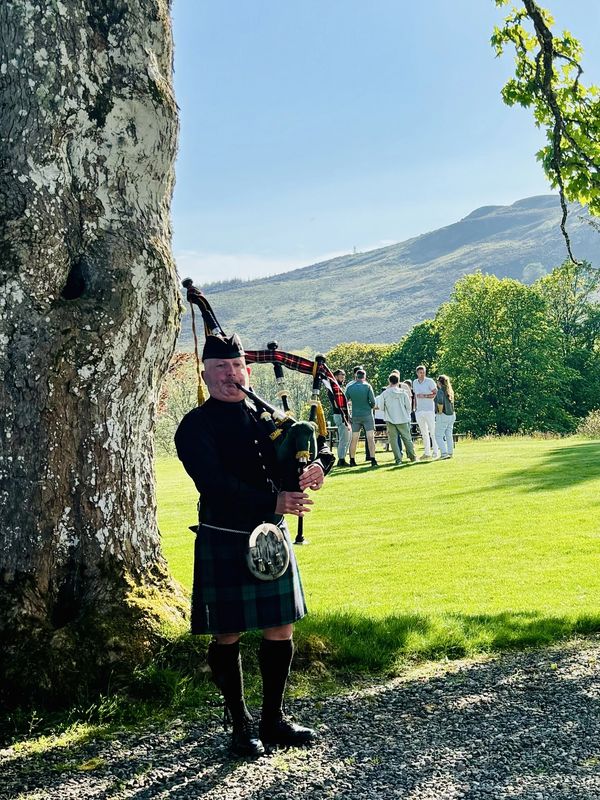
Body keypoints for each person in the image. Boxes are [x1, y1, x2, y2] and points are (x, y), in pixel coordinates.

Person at [174, 332, 333, 758]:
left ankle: (273, 720)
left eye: (237, 367)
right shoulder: (195, 426)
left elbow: (304, 447)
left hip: (272, 536)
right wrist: (274, 500)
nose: (231, 375)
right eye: (221, 368)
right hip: (226, 535)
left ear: (247, 370)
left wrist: (318, 466)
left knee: (280, 627)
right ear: (205, 374)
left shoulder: (267, 419)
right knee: (228, 632)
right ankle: (240, 725)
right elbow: (214, 484)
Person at [379, 374, 417, 464]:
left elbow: (381, 407)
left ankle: (398, 459)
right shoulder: (403, 393)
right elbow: (408, 406)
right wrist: (407, 415)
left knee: (393, 440)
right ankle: (412, 456)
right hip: (403, 418)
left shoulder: (384, 393)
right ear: (398, 381)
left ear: (389, 381)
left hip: (390, 419)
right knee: (407, 439)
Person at [345, 368, 377, 467]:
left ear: (356, 377)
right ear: (365, 376)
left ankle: (352, 460)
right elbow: (373, 402)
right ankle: (373, 459)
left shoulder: (350, 387)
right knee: (370, 437)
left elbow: (344, 402)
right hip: (367, 414)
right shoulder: (367, 386)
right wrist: (370, 407)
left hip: (355, 415)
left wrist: (348, 414)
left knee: (354, 438)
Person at [412, 365, 439, 459]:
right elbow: (415, 396)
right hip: (419, 410)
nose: (422, 374)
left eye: (423, 372)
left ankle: (435, 451)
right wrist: (415, 408)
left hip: (429, 410)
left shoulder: (430, 381)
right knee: (423, 432)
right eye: (420, 373)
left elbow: (435, 393)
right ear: (417, 373)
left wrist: (425, 396)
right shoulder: (415, 382)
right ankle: (427, 453)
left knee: (433, 431)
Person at [330, 369, 351, 466]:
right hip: (340, 414)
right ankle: (341, 459)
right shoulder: (334, 388)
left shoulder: (337, 387)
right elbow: (336, 403)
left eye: (344, 374)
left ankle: (342, 458)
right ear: (336, 376)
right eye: (341, 374)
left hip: (341, 414)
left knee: (347, 437)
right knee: (344, 438)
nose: (343, 376)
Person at [435, 374, 456, 459]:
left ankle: (444, 453)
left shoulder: (440, 391)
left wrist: (439, 412)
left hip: (443, 414)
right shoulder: (450, 390)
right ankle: (450, 452)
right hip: (452, 414)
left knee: (438, 435)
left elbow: (440, 402)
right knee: (448, 434)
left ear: (439, 382)